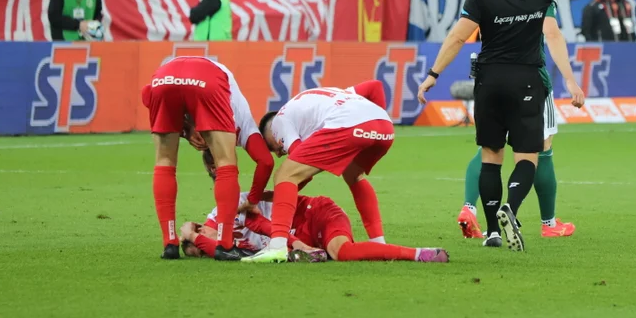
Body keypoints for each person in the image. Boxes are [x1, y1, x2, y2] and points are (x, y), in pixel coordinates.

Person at [417, 0, 575, 251]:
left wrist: (433, 74)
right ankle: (512, 208)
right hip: (528, 81)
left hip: (488, 82)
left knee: (491, 156)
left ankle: (490, 231)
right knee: (528, 157)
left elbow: (457, 37)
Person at [457, 0, 586, 241]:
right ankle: (548, 221)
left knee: (490, 150)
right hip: (532, 81)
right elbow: (552, 35)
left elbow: (462, 35)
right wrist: (569, 78)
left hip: (491, 80)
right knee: (541, 150)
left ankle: (470, 208)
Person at [242, 80, 395, 264]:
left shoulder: (279, 122)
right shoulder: (334, 94)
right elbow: (375, 86)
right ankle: (378, 243)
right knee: (353, 175)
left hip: (349, 125)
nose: (280, 153)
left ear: (271, 134)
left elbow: (302, 169)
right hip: (384, 127)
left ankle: (277, 247)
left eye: (275, 148)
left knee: (284, 174)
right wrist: (378, 116)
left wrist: (263, 196)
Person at [141, 56, 251, 260]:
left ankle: (169, 243)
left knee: (164, 161)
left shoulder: (166, 72)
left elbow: (147, 95)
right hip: (206, 81)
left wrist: (186, 129)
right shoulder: (229, 86)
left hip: (161, 81)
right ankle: (225, 245)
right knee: (226, 162)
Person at [180, 192, 448, 263]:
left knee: (342, 252)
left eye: (203, 246)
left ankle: (419, 253)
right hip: (303, 236)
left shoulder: (227, 210)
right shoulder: (231, 246)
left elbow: (262, 224)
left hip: (315, 213)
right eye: (204, 253)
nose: (211, 250)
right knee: (340, 254)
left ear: (202, 227)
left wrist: (189, 234)